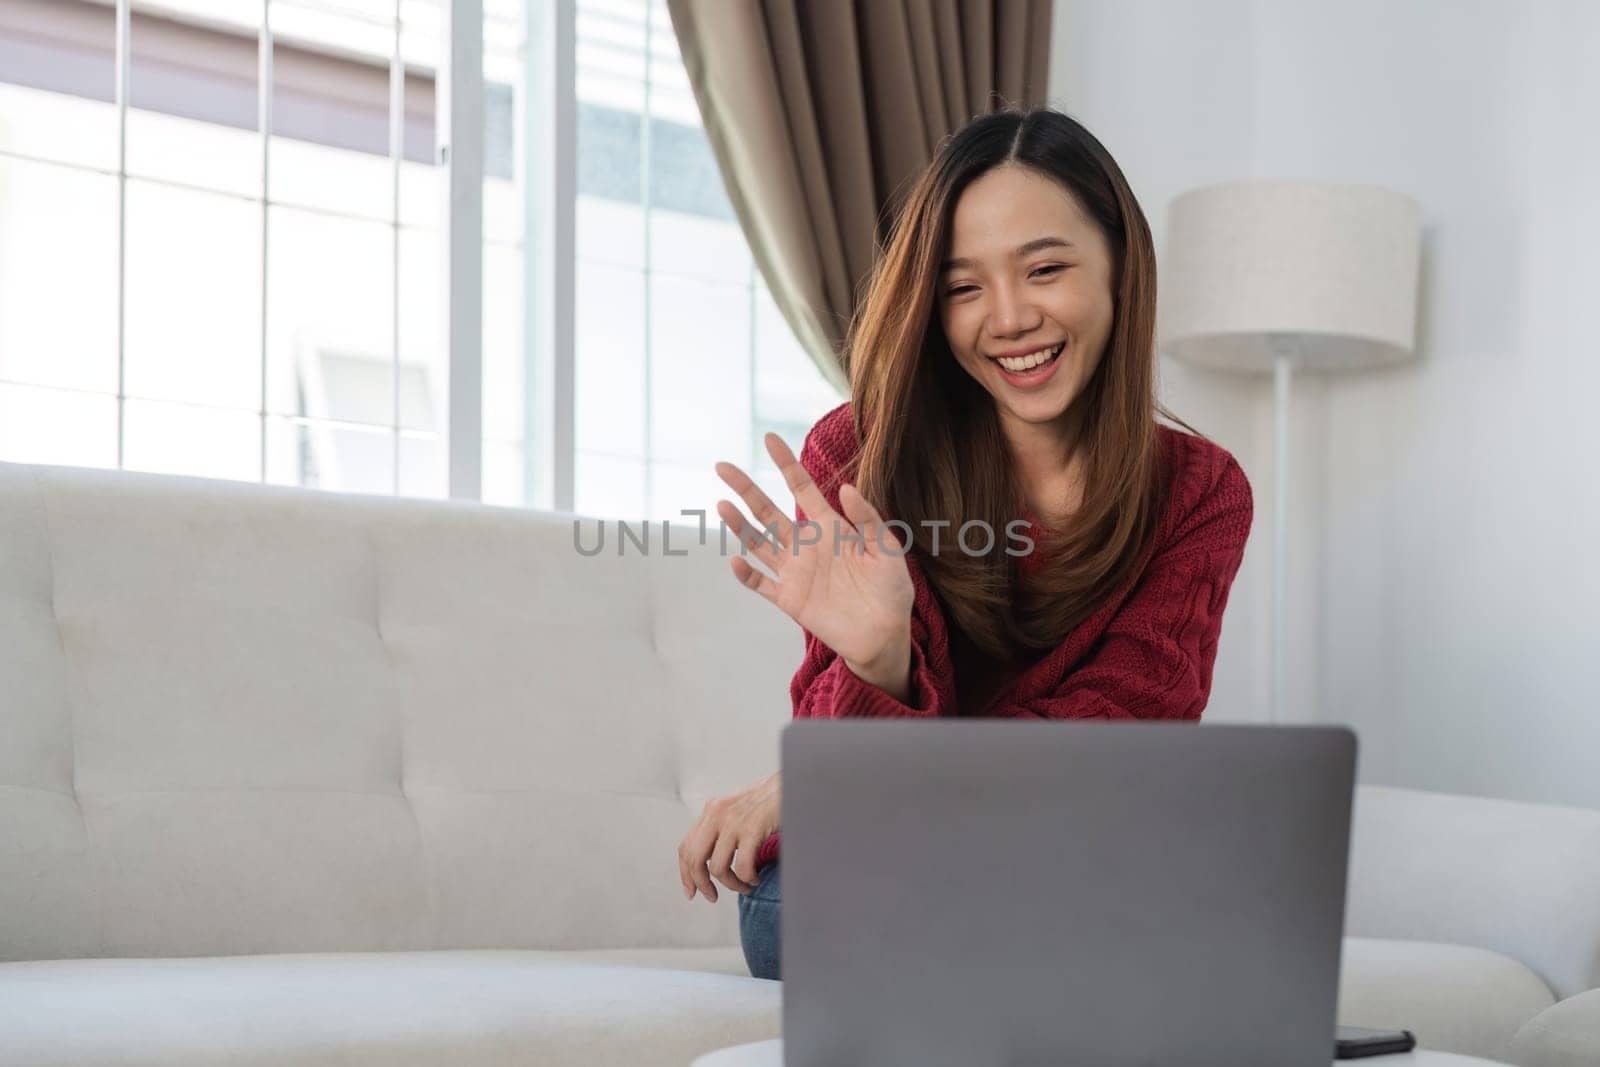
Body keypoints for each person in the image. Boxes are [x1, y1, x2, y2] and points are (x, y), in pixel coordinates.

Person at [675, 105, 1255, 982]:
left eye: (1046, 269)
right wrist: (879, 665)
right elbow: (858, 795)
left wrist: (839, 768)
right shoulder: (859, 459)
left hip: (1073, 848)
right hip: (900, 863)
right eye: (963, 287)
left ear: (1121, 270)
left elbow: (1117, 743)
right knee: (793, 905)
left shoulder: (1201, 491)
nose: (1010, 318)